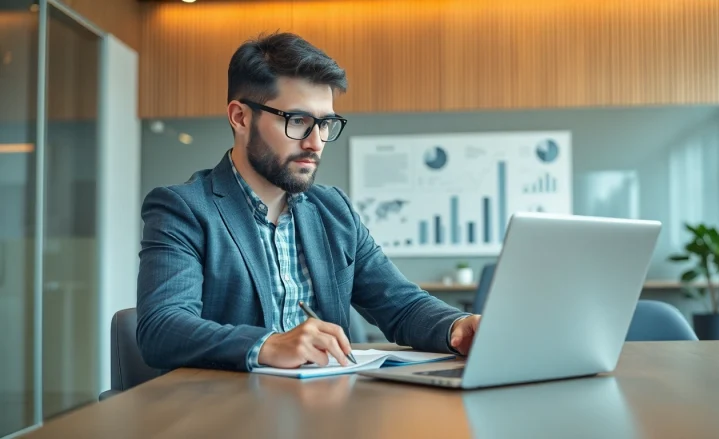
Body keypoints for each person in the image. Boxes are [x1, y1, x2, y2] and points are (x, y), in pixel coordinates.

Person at [136, 32, 481, 372]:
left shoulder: (334, 211)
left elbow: (401, 305)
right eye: (298, 121)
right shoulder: (183, 209)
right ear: (240, 117)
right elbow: (162, 327)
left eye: (326, 123)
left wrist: (457, 327)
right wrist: (267, 345)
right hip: (229, 412)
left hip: (326, 410)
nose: (316, 143)